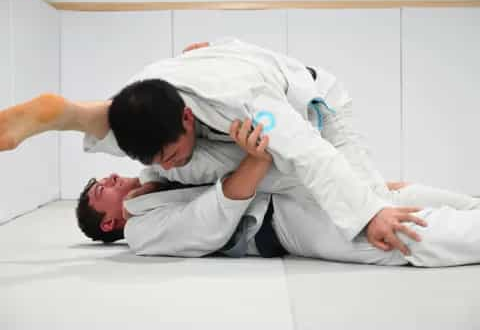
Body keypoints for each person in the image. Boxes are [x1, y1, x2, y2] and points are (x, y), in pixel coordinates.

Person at [0, 38, 426, 255]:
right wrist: (156, 170)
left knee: (377, 201)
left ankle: (379, 197)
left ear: (188, 118)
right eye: (155, 160)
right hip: (200, 91)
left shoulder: (252, 106)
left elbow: (309, 151)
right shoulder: (150, 101)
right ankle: (76, 114)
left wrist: (369, 212)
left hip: (317, 102)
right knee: (169, 149)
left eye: (167, 153)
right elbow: (163, 154)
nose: (166, 165)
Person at [77, 119, 480, 267]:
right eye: (99, 190)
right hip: (279, 223)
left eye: (104, 177)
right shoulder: (142, 233)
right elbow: (209, 224)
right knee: (388, 237)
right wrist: (258, 159)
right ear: (109, 222)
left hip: (287, 182)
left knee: (397, 195)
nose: (109, 178)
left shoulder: (156, 168)